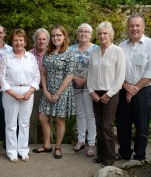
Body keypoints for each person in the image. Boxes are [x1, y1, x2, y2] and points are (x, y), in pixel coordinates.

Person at [116, 14, 151, 161]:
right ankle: (124, 153)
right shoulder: (120, 47)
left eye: (137, 25)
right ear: (128, 27)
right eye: (131, 25)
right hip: (123, 89)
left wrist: (134, 89)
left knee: (142, 125)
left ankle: (139, 156)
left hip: (144, 90)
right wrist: (126, 87)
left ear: (143, 27)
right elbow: (115, 70)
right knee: (123, 123)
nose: (134, 28)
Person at [32, 25, 76, 159]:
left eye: (59, 35)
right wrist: (45, 90)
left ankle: (57, 147)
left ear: (64, 37)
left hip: (62, 91)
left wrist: (57, 94)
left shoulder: (69, 53)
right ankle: (47, 145)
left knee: (59, 120)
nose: (56, 38)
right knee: (43, 117)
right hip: (47, 90)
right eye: (53, 35)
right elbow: (43, 72)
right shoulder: (48, 52)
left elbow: (70, 75)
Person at [0, 28, 40, 163]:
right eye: (15, 40)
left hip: (28, 92)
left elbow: (36, 76)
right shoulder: (6, 57)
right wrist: (12, 93)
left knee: (24, 123)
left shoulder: (31, 57)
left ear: (25, 42)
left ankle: (23, 150)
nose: (18, 43)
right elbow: (1, 78)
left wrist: (30, 91)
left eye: (21, 40)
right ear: (12, 41)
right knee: (10, 124)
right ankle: (12, 152)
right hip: (11, 93)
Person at [87, 21, 126, 167]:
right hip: (96, 94)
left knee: (107, 126)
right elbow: (89, 74)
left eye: (105, 33)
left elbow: (120, 76)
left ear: (111, 35)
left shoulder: (117, 51)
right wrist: (91, 92)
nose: (102, 36)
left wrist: (109, 94)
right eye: (100, 33)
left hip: (111, 93)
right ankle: (101, 154)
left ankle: (109, 159)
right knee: (99, 125)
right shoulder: (95, 52)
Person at [69, 23, 98, 157]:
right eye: (81, 31)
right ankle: (81, 140)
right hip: (74, 85)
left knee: (90, 114)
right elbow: (67, 67)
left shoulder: (96, 49)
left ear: (91, 34)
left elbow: (98, 68)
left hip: (90, 86)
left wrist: (85, 79)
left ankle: (91, 143)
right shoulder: (71, 49)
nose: (83, 34)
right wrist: (75, 78)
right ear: (77, 34)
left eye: (86, 31)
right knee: (79, 113)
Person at [28, 28, 50, 144]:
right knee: (32, 119)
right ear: (35, 40)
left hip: (49, 90)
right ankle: (31, 145)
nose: (41, 41)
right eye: (39, 39)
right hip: (33, 90)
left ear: (47, 41)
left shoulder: (52, 53)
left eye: (44, 39)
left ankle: (48, 144)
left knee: (47, 119)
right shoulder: (28, 54)